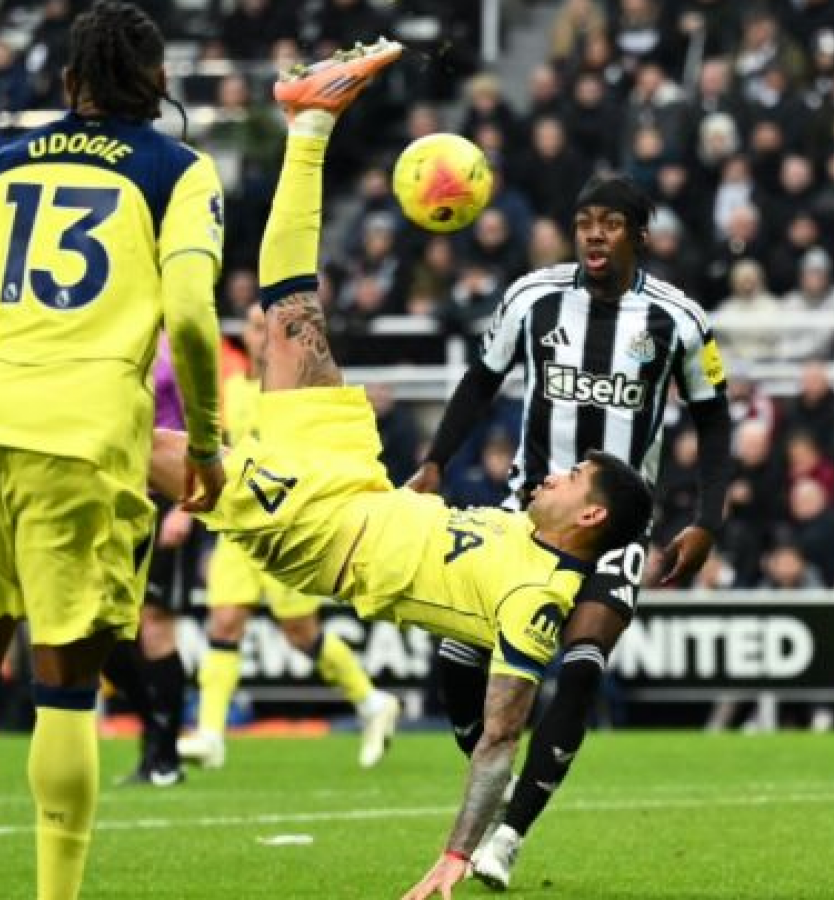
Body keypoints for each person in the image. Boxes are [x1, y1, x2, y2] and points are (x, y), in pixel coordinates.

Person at [145, 41, 653, 899]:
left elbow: (500, 740)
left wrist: (457, 854)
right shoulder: (513, 528)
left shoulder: (536, 604)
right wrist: (425, 474)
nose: (548, 478)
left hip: (319, 534)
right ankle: (310, 123)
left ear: (591, 518)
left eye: (571, 480)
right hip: (356, 479)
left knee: (148, 449)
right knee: (292, 313)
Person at [0, 3, 226, 899]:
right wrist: (210, 445)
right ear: (160, 86)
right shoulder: (178, 171)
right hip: (80, 443)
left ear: (69, 84)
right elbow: (189, 314)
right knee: (65, 682)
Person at [405, 170, 734, 888]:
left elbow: (713, 418)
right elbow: (480, 380)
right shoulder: (532, 297)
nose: (593, 233)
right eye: (585, 220)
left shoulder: (677, 319)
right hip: (529, 516)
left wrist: (708, 519)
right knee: (459, 659)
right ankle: (493, 788)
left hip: (615, 528)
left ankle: (509, 837)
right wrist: (434, 463)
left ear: (638, 236)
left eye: (610, 222)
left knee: (582, 666)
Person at [176, 304, 400, 772]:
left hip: (286, 530)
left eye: (268, 329)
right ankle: (211, 733)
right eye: (254, 328)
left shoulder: (296, 397)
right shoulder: (231, 391)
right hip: (240, 528)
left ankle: (371, 701)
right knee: (224, 622)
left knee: (301, 635)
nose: (260, 337)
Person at [101, 336, 196, 787]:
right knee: (105, 630)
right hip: (112, 497)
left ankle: (165, 754)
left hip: (164, 497)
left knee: (155, 624)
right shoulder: (109, 327)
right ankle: (154, 733)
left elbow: (204, 423)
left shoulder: (176, 342)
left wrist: (187, 503)